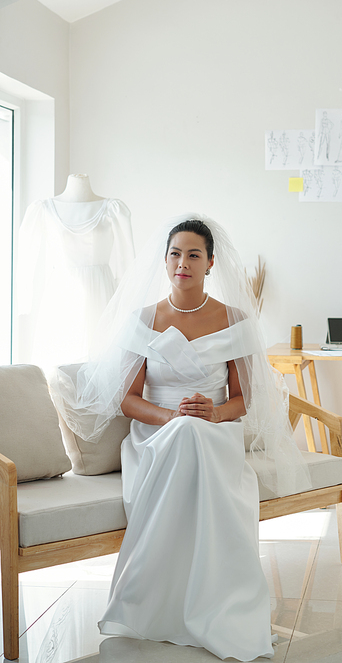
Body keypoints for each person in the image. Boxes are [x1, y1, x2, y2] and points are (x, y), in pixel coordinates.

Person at [51, 214, 310, 661]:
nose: (183, 263)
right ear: (165, 260)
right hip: (155, 434)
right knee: (184, 430)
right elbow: (128, 399)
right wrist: (171, 415)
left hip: (214, 432)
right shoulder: (143, 320)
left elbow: (242, 400)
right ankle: (160, 600)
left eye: (194, 255)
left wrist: (212, 413)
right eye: (175, 254)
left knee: (194, 430)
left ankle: (219, 601)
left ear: (211, 263)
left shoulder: (235, 320)